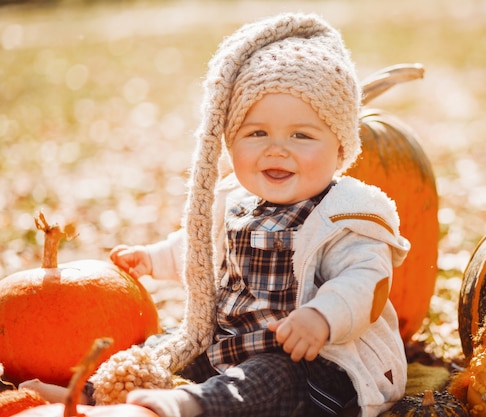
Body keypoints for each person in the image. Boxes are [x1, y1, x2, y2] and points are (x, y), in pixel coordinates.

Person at [25, 12, 411, 417]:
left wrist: (321, 317)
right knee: (163, 348)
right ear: (230, 140)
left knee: (268, 377)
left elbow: (364, 282)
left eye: (302, 135)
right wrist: (154, 258)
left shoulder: (346, 215)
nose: (276, 149)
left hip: (318, 365)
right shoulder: (235, 201)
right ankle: (88, 392)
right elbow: (200, 252)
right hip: (231, 344)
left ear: (340, 148)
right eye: (256, 133)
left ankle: (192, 404)